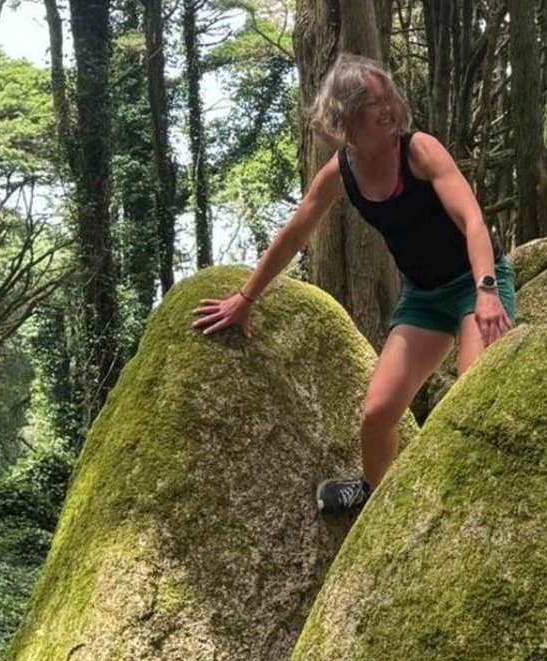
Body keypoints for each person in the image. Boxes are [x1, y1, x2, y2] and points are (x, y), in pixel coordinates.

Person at [192, 54, 515, 513]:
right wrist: (246, 298)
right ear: (345, 115)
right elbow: (294, 236)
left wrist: (486, 291)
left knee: (472, 392)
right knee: (377, 414)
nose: (386, 110)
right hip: (424, 298)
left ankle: (474, 505)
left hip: (474, 280)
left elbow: (473, 220)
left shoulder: (419, 150)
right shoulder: (340, 173)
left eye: (387, 99)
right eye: (371, 103)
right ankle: (374, 498)